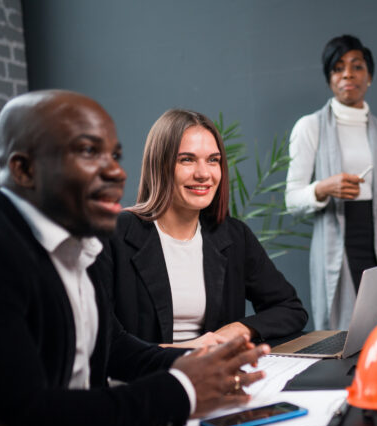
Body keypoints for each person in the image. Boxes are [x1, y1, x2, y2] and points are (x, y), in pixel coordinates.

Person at [0, 91, 269, 426]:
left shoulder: (78, 242)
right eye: (89, 152)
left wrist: (202, 365)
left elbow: (111, 347)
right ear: (23, 169)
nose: (116, 172)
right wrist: (184, 389)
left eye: (114, 155)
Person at [102, 109, 308, 348]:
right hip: (145, 379)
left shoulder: (232, 235)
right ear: (159, 165)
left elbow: (290, 308)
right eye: (186, 159)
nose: (203, 174)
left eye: (213, 160)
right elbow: (100, 340)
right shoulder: (115, 234)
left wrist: (237, 329)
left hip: (215, 380)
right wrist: (186, 351)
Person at [285, 34, 377, 330]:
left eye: (356, 66)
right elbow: (291, 199)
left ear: (369, 76)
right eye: (338, 67)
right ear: (330, 78)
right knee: (345, 337)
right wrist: (322, 187)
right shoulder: (310, 126)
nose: (347, 74)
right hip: (338, 243)